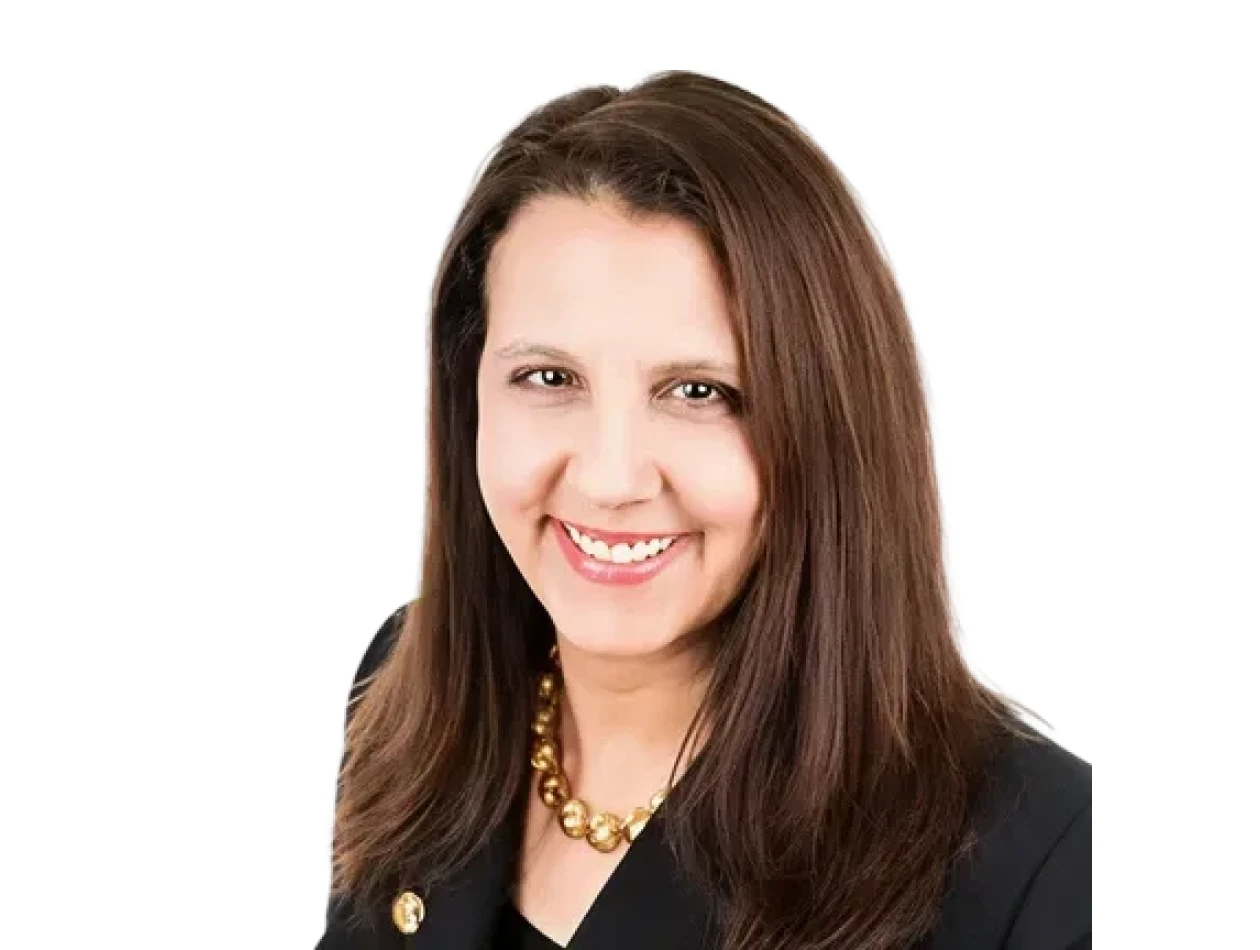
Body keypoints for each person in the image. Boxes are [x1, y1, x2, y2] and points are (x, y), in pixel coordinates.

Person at [314, 70, 1091, 950]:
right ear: (470, 397)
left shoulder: (1048, 865)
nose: (610, 478)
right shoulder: (410, 689)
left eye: (698, 391)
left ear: (831, 425)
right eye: (549, 378)